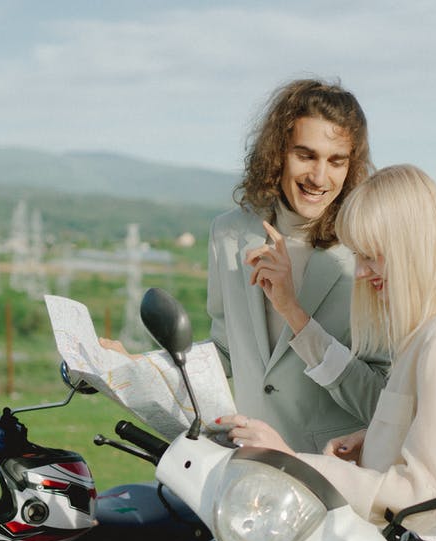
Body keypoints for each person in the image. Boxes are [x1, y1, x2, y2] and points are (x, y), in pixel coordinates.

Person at [218, 164, 436, 541]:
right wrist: (376, 438)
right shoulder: (434, 327)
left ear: (410, 245)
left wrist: (289, 461)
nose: (360, 271)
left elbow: (422, 496)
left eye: (369, 254)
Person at [103, 77, 389, 453]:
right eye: (305, 155)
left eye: (336, 161)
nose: (320, 177)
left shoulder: (368, 251)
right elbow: (224, 350)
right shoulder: (228, 232)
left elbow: (380, 400)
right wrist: (137, 366)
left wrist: (294, 312)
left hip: (333, 471)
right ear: (277, 153)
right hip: (250, 467)